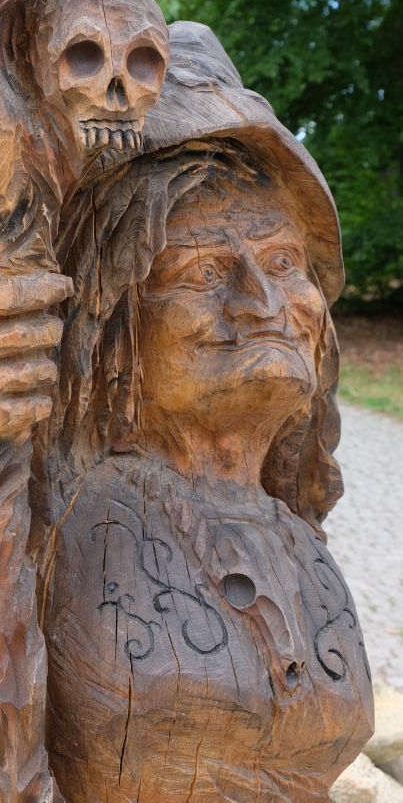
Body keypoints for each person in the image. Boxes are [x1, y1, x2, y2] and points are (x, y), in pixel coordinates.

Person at [37, 137, 374, 802]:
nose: (263, 303)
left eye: (283, 263)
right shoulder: (65, 512)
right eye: (206, 272)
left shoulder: (300, 539)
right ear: (116, 329)